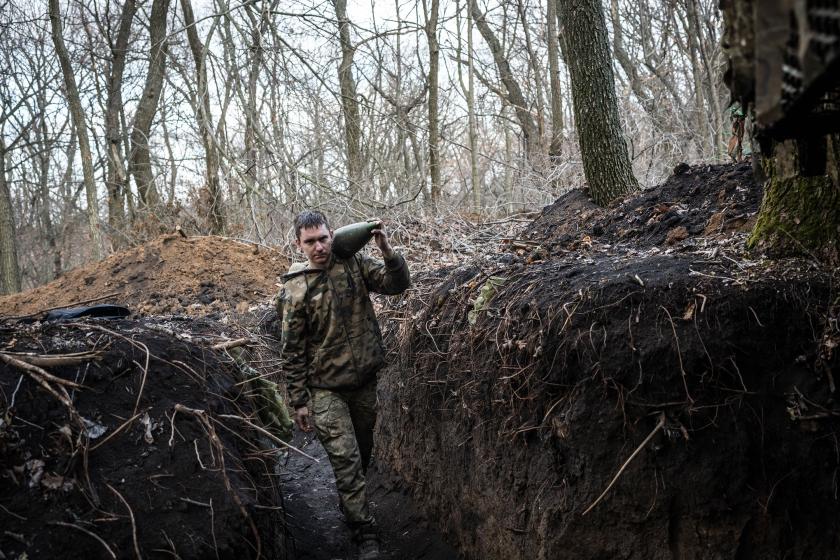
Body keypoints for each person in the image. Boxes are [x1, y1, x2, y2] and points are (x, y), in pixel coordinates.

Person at [279, 210, 410, 560]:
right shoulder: (296, 288)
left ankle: (351, 503)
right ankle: (365, 533)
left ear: (332, 235)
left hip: (365, 382)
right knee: (347, 460)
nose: (319, 247)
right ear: (298, 245)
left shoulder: (354, 263)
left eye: (323, 238)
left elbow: (397, 286)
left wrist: (387, 251)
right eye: (310, 242)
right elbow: (292, 350)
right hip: (325, 390)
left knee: (363, 451)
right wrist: (299, 400)